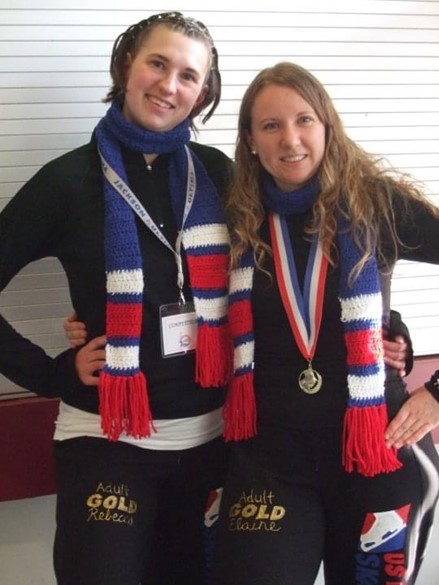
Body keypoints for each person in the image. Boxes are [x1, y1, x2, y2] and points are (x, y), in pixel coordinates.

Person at [0, 12, 234, 585]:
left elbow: (291, 268)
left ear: (203, 93)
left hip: (212, 441)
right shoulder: (67, 181)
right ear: (126, 65)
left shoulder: (221, 175)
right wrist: (55, 373)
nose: (169, 84)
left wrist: (392, 325)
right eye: (158, 63)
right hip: (107, 441)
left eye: (188, 75)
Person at [206, 62, 439, 585]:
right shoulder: (235, 215)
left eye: (304, 119)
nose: (290, 140)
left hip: (378, 454)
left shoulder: (377, 204)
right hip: (271, 460)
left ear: (327, 126)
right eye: (271, 125)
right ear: (250, 139)